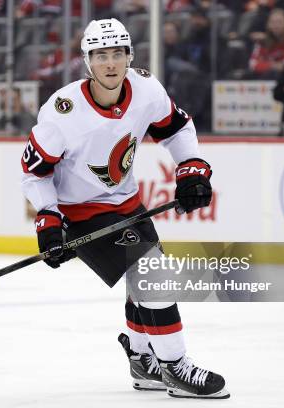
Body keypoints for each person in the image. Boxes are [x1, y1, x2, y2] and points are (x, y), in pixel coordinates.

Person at [20, 18, 229, 399]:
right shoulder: (63, 112)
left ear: (130, 56)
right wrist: (49, 219)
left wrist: (191, 168)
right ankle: (174, 367)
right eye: (101, 55)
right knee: (156, 278)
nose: (110, 63)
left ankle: (141, 359)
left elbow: (176, 129)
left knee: (143, 283)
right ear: (87, 61)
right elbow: (34, 171)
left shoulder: (147, 89)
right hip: (82, 213)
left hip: (128, 203)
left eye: (118, 53)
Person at [248, 8, 284, 78]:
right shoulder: (262, 42)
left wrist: (265, 64)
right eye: (273, 22)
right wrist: (273, 65)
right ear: (268, 24)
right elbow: (253, 64)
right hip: (264, 78)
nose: (276, 25)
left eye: (279, 22)